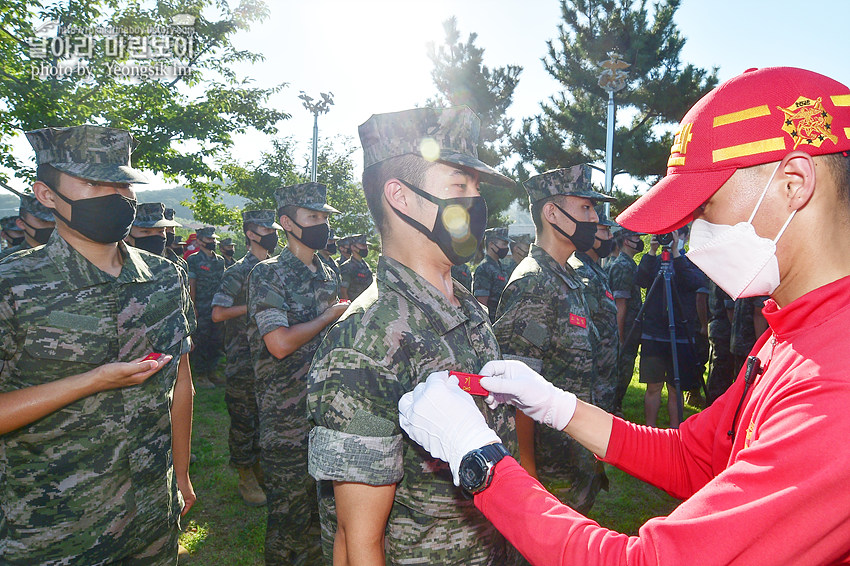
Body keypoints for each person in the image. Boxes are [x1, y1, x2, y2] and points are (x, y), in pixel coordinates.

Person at [398, 66, 850, 565]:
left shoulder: (835, 380)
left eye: (704, 207)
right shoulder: (796, 329)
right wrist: (557, 406)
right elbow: (693, 457)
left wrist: (478, 460)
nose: (693, 235)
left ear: (794, 183)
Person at [306, 106, 518, 565]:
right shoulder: (364, 345)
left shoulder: (467, 307)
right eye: (460, 186)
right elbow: (355, 543)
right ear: (400, 197)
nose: (476, 203)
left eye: (477, 188)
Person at [0, 124, 196, 564]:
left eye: (121, 183)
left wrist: (179, 474)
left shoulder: (166, 276)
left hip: (150, 517)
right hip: (52, 529)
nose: (113, 196)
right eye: (92, 183)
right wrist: (90, 381)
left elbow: (180, 385)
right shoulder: (11, 284)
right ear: (46, 196)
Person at [495, 165, 612, 514]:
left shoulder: (570, 278)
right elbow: (513, 393)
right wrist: (528, 480)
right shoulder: (533, 283)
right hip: (549, 476)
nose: (595, 218)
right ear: (551, 213)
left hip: (575, 461)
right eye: (585, 208)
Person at [247, 182, 345, 565]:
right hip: (286, 414)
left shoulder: (328, 270)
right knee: (289, 518)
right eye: (313, 217)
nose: (323, 225)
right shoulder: (268, 274)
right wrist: (327, 318)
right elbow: (279, 343)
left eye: (325, 218)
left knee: (326, 513)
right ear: (287, 222)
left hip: (327, 407)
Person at [211, 209, 282, 508]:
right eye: (266, 230)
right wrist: (253, 306)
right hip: (243, 358)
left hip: (272, 358)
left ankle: (259, 466)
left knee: (265, 417)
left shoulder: (277, 269)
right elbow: (218, 313)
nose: (273, 235)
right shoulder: (238, 271)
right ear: (251, 234)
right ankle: (245, 474)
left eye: (273, 229)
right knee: (243, 418)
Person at [636, 231, 707, 428]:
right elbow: (640, 279)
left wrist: (676, 254)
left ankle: (676, 432)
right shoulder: (655, 261)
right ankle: (649, 430)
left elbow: (693, 283)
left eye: (675, 235)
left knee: (676, 388)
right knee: (654, 386)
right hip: (655, 333)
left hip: (681, 334)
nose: (669, 239)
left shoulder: (690, 262)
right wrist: (651, 251)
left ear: (684, 236)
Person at [568, 207, 619, 413]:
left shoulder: (597, 269)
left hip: (605, 374)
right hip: (592, 379)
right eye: (604, 231)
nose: (610, 237)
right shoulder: (581, 271)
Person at [606, 228, 644, 416]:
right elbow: (620, 303)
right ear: (627, 241)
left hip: (630, 330)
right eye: (636, 237)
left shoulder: (629, 264)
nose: (640, 241)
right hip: (626, 331)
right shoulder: (623, 265)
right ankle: (614, 408)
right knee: (622, 370)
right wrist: (621, 337)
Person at [187, 226, 225, 388]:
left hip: (216, 306)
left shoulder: (220, 261)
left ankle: (212, 371)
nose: (213, 242)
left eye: (214, 239)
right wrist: (192, 306)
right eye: (209, 239)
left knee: (216, 340)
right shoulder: (194, 260)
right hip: (201, 306)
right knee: (201, 340)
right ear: (199, 242)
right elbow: (192, 283)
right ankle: (201, 375)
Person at [0, 194, 55, 262]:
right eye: (43, 221)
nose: (51, 226)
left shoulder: (65, 253)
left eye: (55, 221)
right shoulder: (6, 260)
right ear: (21, 223)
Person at [473, 227, 511, 323]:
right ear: (491, 244)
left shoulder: (501, 267)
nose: (506, 248)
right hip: (491, 323)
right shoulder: (484, 269)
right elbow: (482, 304)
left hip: (501, 322)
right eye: (504, 244)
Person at [706, 280, 735, 405]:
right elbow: (730, 308)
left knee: (717, 370)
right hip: (724, 329)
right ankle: (714, 408)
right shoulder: (726, 277)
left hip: (717, 325)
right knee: (721, 374)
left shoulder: (716, 274)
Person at [729, 295, 769, 374]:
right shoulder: (760, 286)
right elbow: (759, 313)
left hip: (739, 339)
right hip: (750, 343)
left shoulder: (745, 284)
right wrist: (761, 347)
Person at [338, 233, 373, 301]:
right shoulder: (347, 267)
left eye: (366, 246)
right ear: (353, 247)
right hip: (353, 306)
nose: (365, 248)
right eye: (362, 245)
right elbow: (343, 291)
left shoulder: (366, 266)